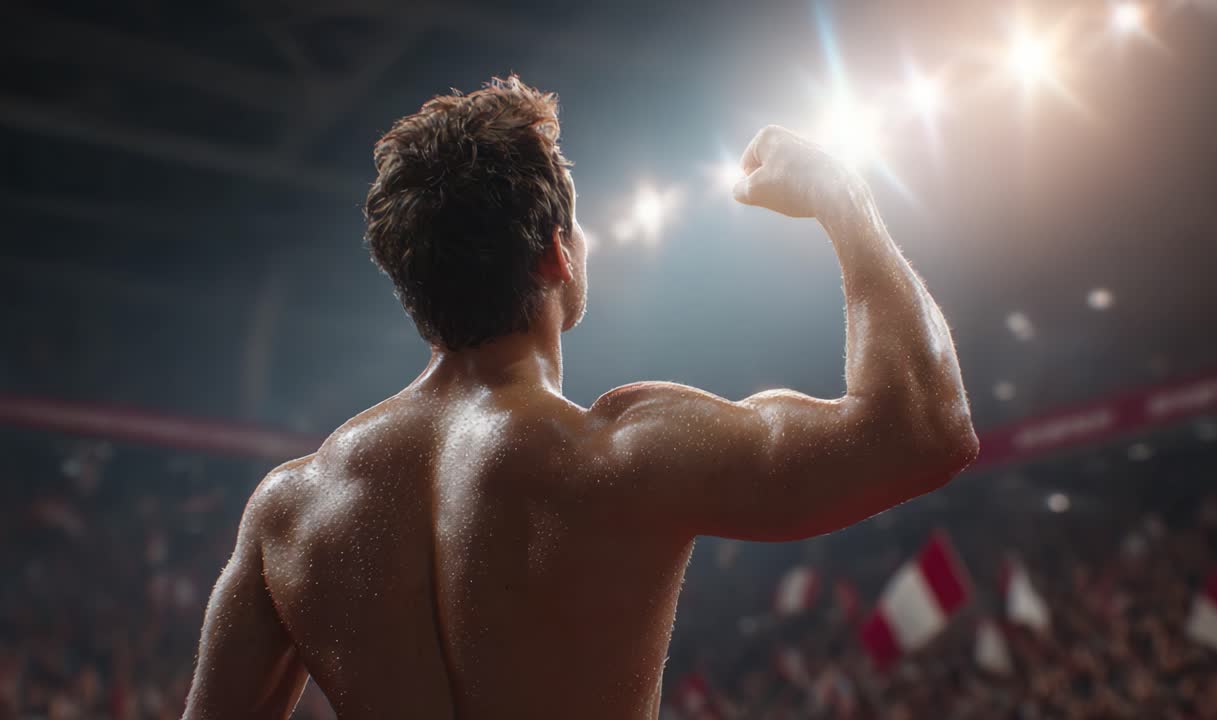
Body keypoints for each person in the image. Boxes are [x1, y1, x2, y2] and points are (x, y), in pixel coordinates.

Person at [182, 76, 977, 720]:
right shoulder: (623, 453)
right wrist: (846, 199)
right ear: (557, 255)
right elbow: (925, 429)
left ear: (412, 284)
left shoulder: (288, 510)